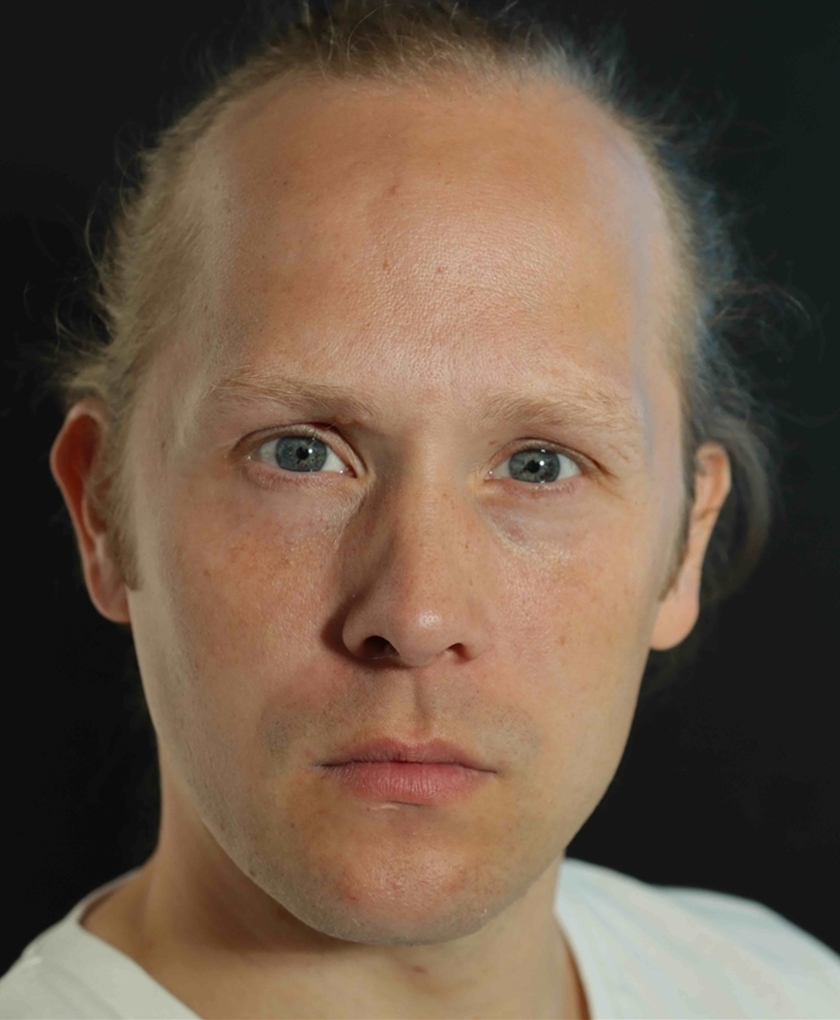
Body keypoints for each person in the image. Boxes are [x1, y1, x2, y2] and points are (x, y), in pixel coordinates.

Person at [2, 1, 838, 1017]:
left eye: (540, 465)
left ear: (687, 542)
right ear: (103, 511)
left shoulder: (789, 990)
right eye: (299, 454)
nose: (415, 612)